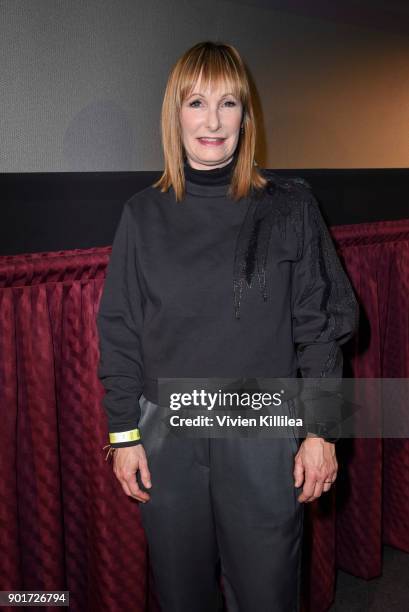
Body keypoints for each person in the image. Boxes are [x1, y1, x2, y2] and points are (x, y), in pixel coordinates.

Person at [96, 41, 359, 612]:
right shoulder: (143, 213)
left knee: (268, 593)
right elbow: (119, 328)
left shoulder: (288, 207)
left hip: (260, 426)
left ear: (246, 115)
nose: (212, 120)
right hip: (167, 433)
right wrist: (123, 434)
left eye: (228, 103)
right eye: (195, 103)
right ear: (176, 115)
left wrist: (322, 433)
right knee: (181, 593)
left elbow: (320, 329)